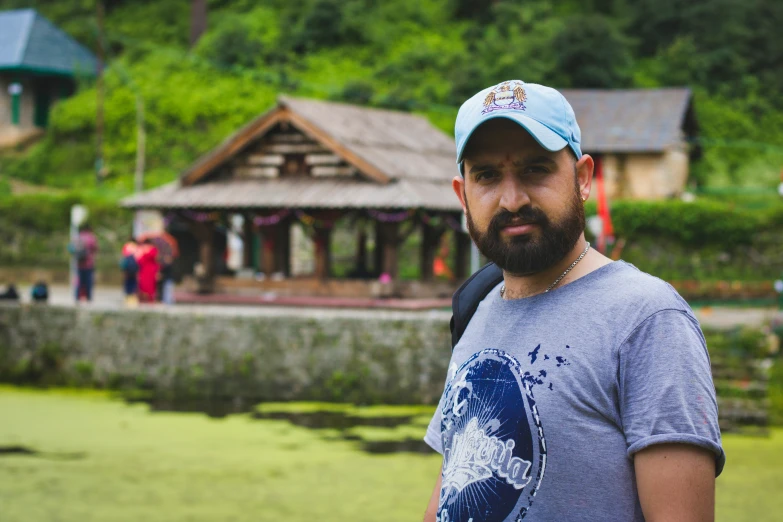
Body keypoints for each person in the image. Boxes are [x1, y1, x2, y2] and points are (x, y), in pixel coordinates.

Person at [422, 80, 724, 522]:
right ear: (461, 194)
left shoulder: (646, 318)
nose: (512, 199)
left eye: (536, 170)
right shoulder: (476, 306)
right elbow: (455, 481)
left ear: (583, 178)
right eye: (486, 175)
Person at [70, 223, 98, 302]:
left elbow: (72, 248)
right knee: (88, 281)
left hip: (79, 262)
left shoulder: (78, 237)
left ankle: (77, 296)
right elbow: (95, 248)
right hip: (89, 262)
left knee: (79, 280)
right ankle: (88, 297)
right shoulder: (91, 237)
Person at [136, 238, 159, 303]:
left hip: (148, 271)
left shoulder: (151, 250)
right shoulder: (148, 250)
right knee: (144, 286)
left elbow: (139, 260)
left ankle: (147, 300)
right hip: (146, 270)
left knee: (147, 286)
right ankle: (145, 300)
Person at [120, 237, 140, 307]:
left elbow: (124, 257)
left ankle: (127, 298)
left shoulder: (126, 246)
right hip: (135, 268)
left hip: (128, 269)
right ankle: (133, 299)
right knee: (134, 283)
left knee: (127, 282)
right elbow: (139, 258)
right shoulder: (137, 247)